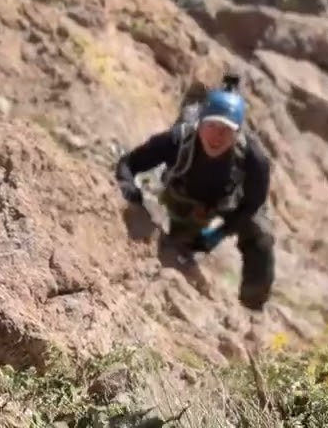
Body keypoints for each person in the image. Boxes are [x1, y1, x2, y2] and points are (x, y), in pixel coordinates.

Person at [113, 81, 275, 311]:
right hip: (179, 199)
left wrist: (217, 235)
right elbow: (129, 163)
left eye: (226, 130)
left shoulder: (254, 160)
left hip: (225, 207)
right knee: (179, 243)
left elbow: (252, 205)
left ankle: (253, 303)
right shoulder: (178, 140)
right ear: (200, 124)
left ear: (238, 133)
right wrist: (129, 188)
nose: (217, 136)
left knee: (261, 232)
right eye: (212, 126)